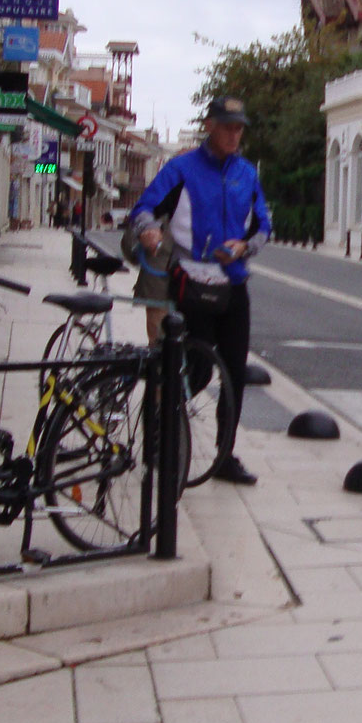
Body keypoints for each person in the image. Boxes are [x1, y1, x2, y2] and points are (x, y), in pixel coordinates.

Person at [130, 96, 271, 485]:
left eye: (239, 127)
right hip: (188, 281)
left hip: (233, 283)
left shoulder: (246, 173)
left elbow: (263, 226)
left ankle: (224, 455)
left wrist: (245, 247)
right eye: (226, 126)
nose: (234, 134)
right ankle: (158, 433)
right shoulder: (181, 169)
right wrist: (148, 230)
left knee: (234, 373)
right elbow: (143, 207)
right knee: (197, 367)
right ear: (209, 125)